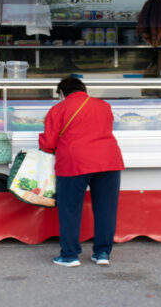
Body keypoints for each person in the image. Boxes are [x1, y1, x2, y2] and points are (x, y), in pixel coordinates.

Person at [39, 76, 125, 267]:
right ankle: (102, 254)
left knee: (70, 209)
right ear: (83, 90)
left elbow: (48, 143)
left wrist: (42, 140)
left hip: (74, 162)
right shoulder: (103, 106)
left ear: (61, 93)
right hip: (108, 160)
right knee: (106, 209)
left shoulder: (58, 109)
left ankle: (70, 256)